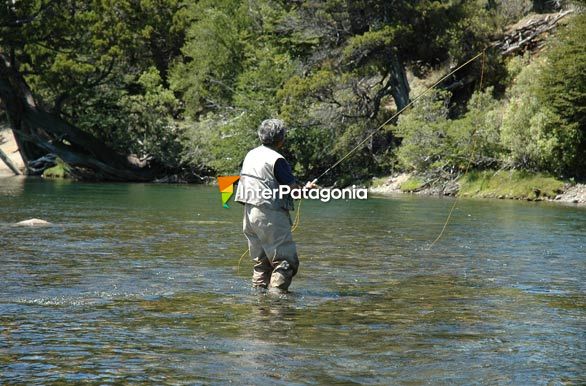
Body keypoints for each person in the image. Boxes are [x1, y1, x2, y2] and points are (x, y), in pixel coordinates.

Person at [235, 119, 315, 293]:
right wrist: (307, 189)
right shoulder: (277, 160)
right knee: (285, 262)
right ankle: (277, 305)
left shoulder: (251, 154)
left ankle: (259, 305)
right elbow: (295, 192)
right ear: (281, 140)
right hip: (269, 215)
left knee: (262, 263)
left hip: (249, 215)